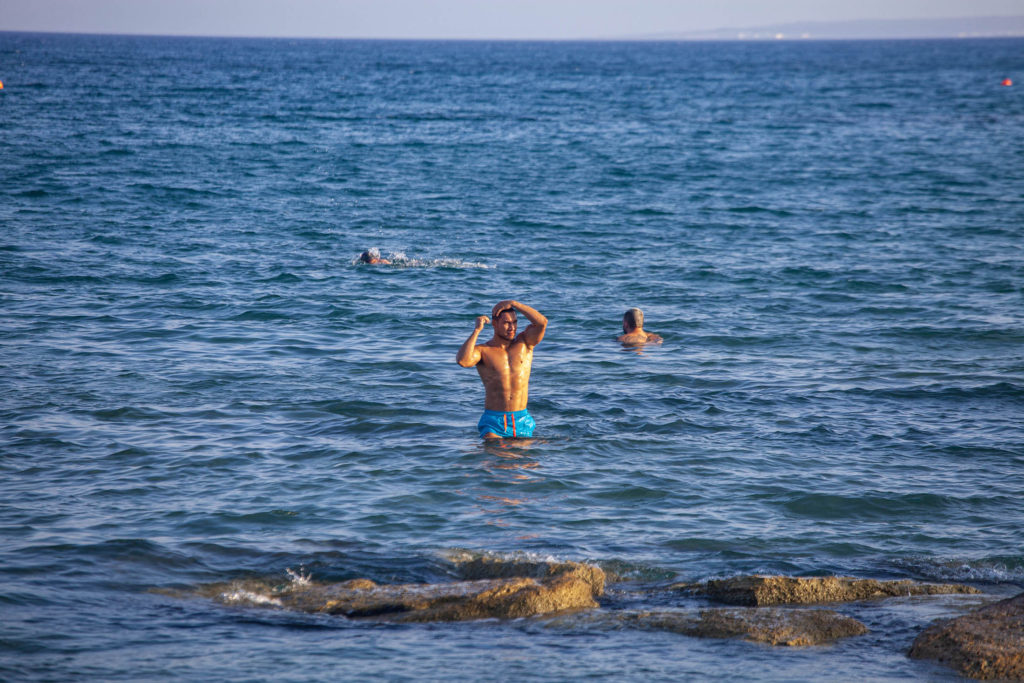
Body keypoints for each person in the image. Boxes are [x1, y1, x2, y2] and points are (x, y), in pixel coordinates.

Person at [456, 299, 547, 439]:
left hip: (521, 419)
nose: (512, 328)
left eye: (515, 322)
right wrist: (476, 330)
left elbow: (542, 322)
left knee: (525, 459)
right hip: (494, 421)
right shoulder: (483, 350)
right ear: (495, 324)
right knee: (495, 454)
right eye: (506, 323)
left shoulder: (525, 343)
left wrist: (514, 304)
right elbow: (463, 361)